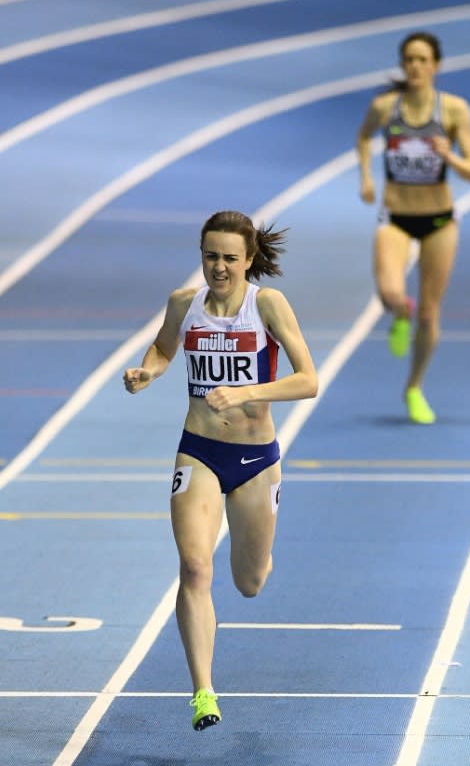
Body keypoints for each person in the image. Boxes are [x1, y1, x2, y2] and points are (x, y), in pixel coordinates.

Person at [123, 210, 318, 730]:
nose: (220, 267)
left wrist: (247, 392)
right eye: (211, 256)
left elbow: (308, 381)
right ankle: (203, 692)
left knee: (249, 581)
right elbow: (164, 348)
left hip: (255, 461)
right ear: (201, 255)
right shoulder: (184, 305)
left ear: (249, 259)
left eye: (230, 258)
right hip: (200, 452)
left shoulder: (268, 305)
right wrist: (148, 372)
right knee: (194, 567)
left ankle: (259, 557)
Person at [356, 31, 470, 423]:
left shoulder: (454, 110)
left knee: (430, 314)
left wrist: (451, 157)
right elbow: (362, 138)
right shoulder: (385, 107)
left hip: (440, 221)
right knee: (390, 292)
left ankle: (413, 387)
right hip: (395, 216)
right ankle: (400, 311)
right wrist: (366, 177)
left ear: (436, 66)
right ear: (403, 63)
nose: (415, 66)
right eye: (409, 59)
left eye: (423, 59)